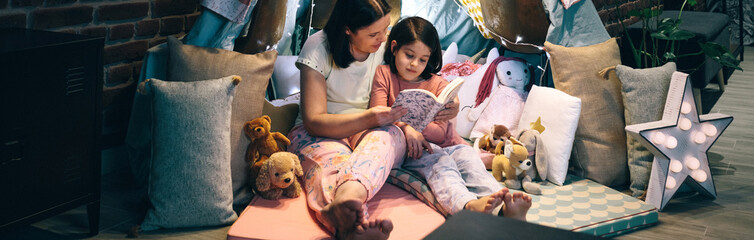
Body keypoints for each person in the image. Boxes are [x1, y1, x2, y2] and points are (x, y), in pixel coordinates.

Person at [287, 1, 458, 239]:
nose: (384, 39)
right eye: (374, 34)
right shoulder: (318, 47)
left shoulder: (386, 45)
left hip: (377, 128)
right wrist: (369, 117)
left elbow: (424, 74)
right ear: (348, 29)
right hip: (322, 132)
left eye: (386, 29)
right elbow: (314, 122)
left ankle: (348, 203)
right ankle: (348, 222)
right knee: (329, 167)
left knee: (384, 139)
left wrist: (451, 103)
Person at [369, 16, 533, 219]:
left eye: (423, 59)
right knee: (441, 164)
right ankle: (468, 205)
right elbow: (377, 113)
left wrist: (425, 121)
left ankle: (502, 207)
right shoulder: (384, 74)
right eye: (409, 55)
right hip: (414, 149)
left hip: (447, 143)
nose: (414, 64)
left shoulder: (438, 84)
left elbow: (439, 134)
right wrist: (406, 128)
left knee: (470, 160)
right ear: (394, 48)